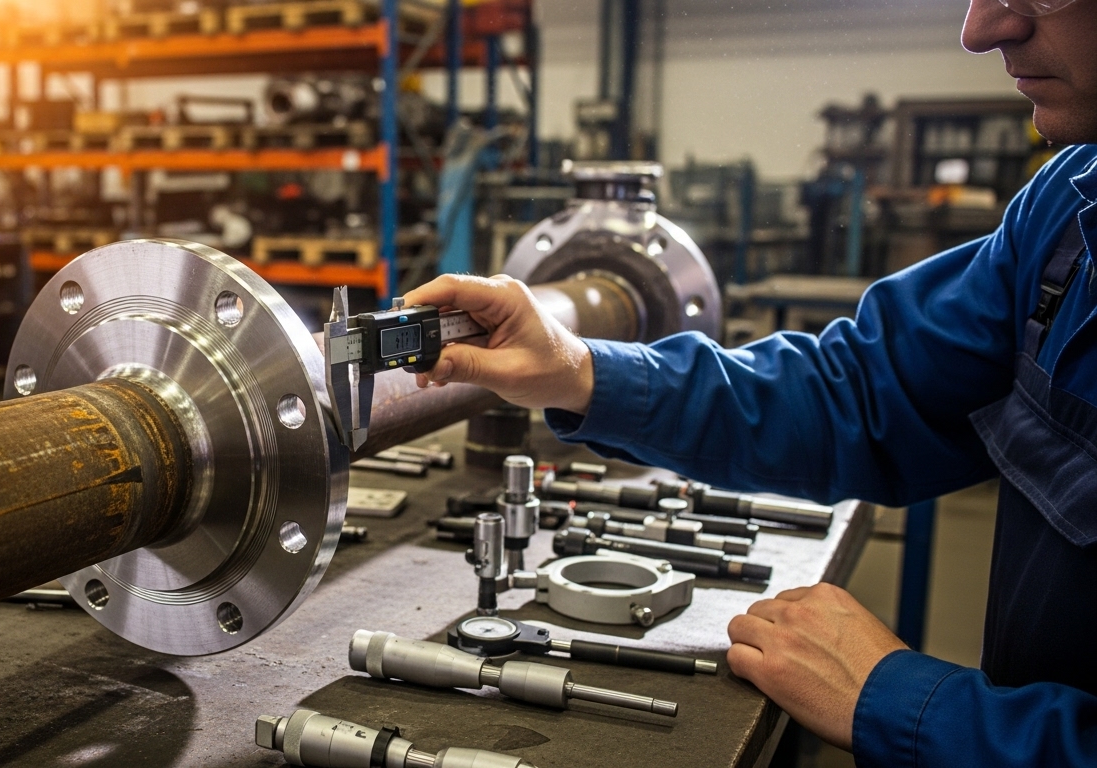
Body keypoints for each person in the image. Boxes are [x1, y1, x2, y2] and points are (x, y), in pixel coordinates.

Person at [403, 0, 1097, 764]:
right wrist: (582, 371)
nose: (982, 28)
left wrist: (910, 706)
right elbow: (860, 394)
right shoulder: (1068, 211)